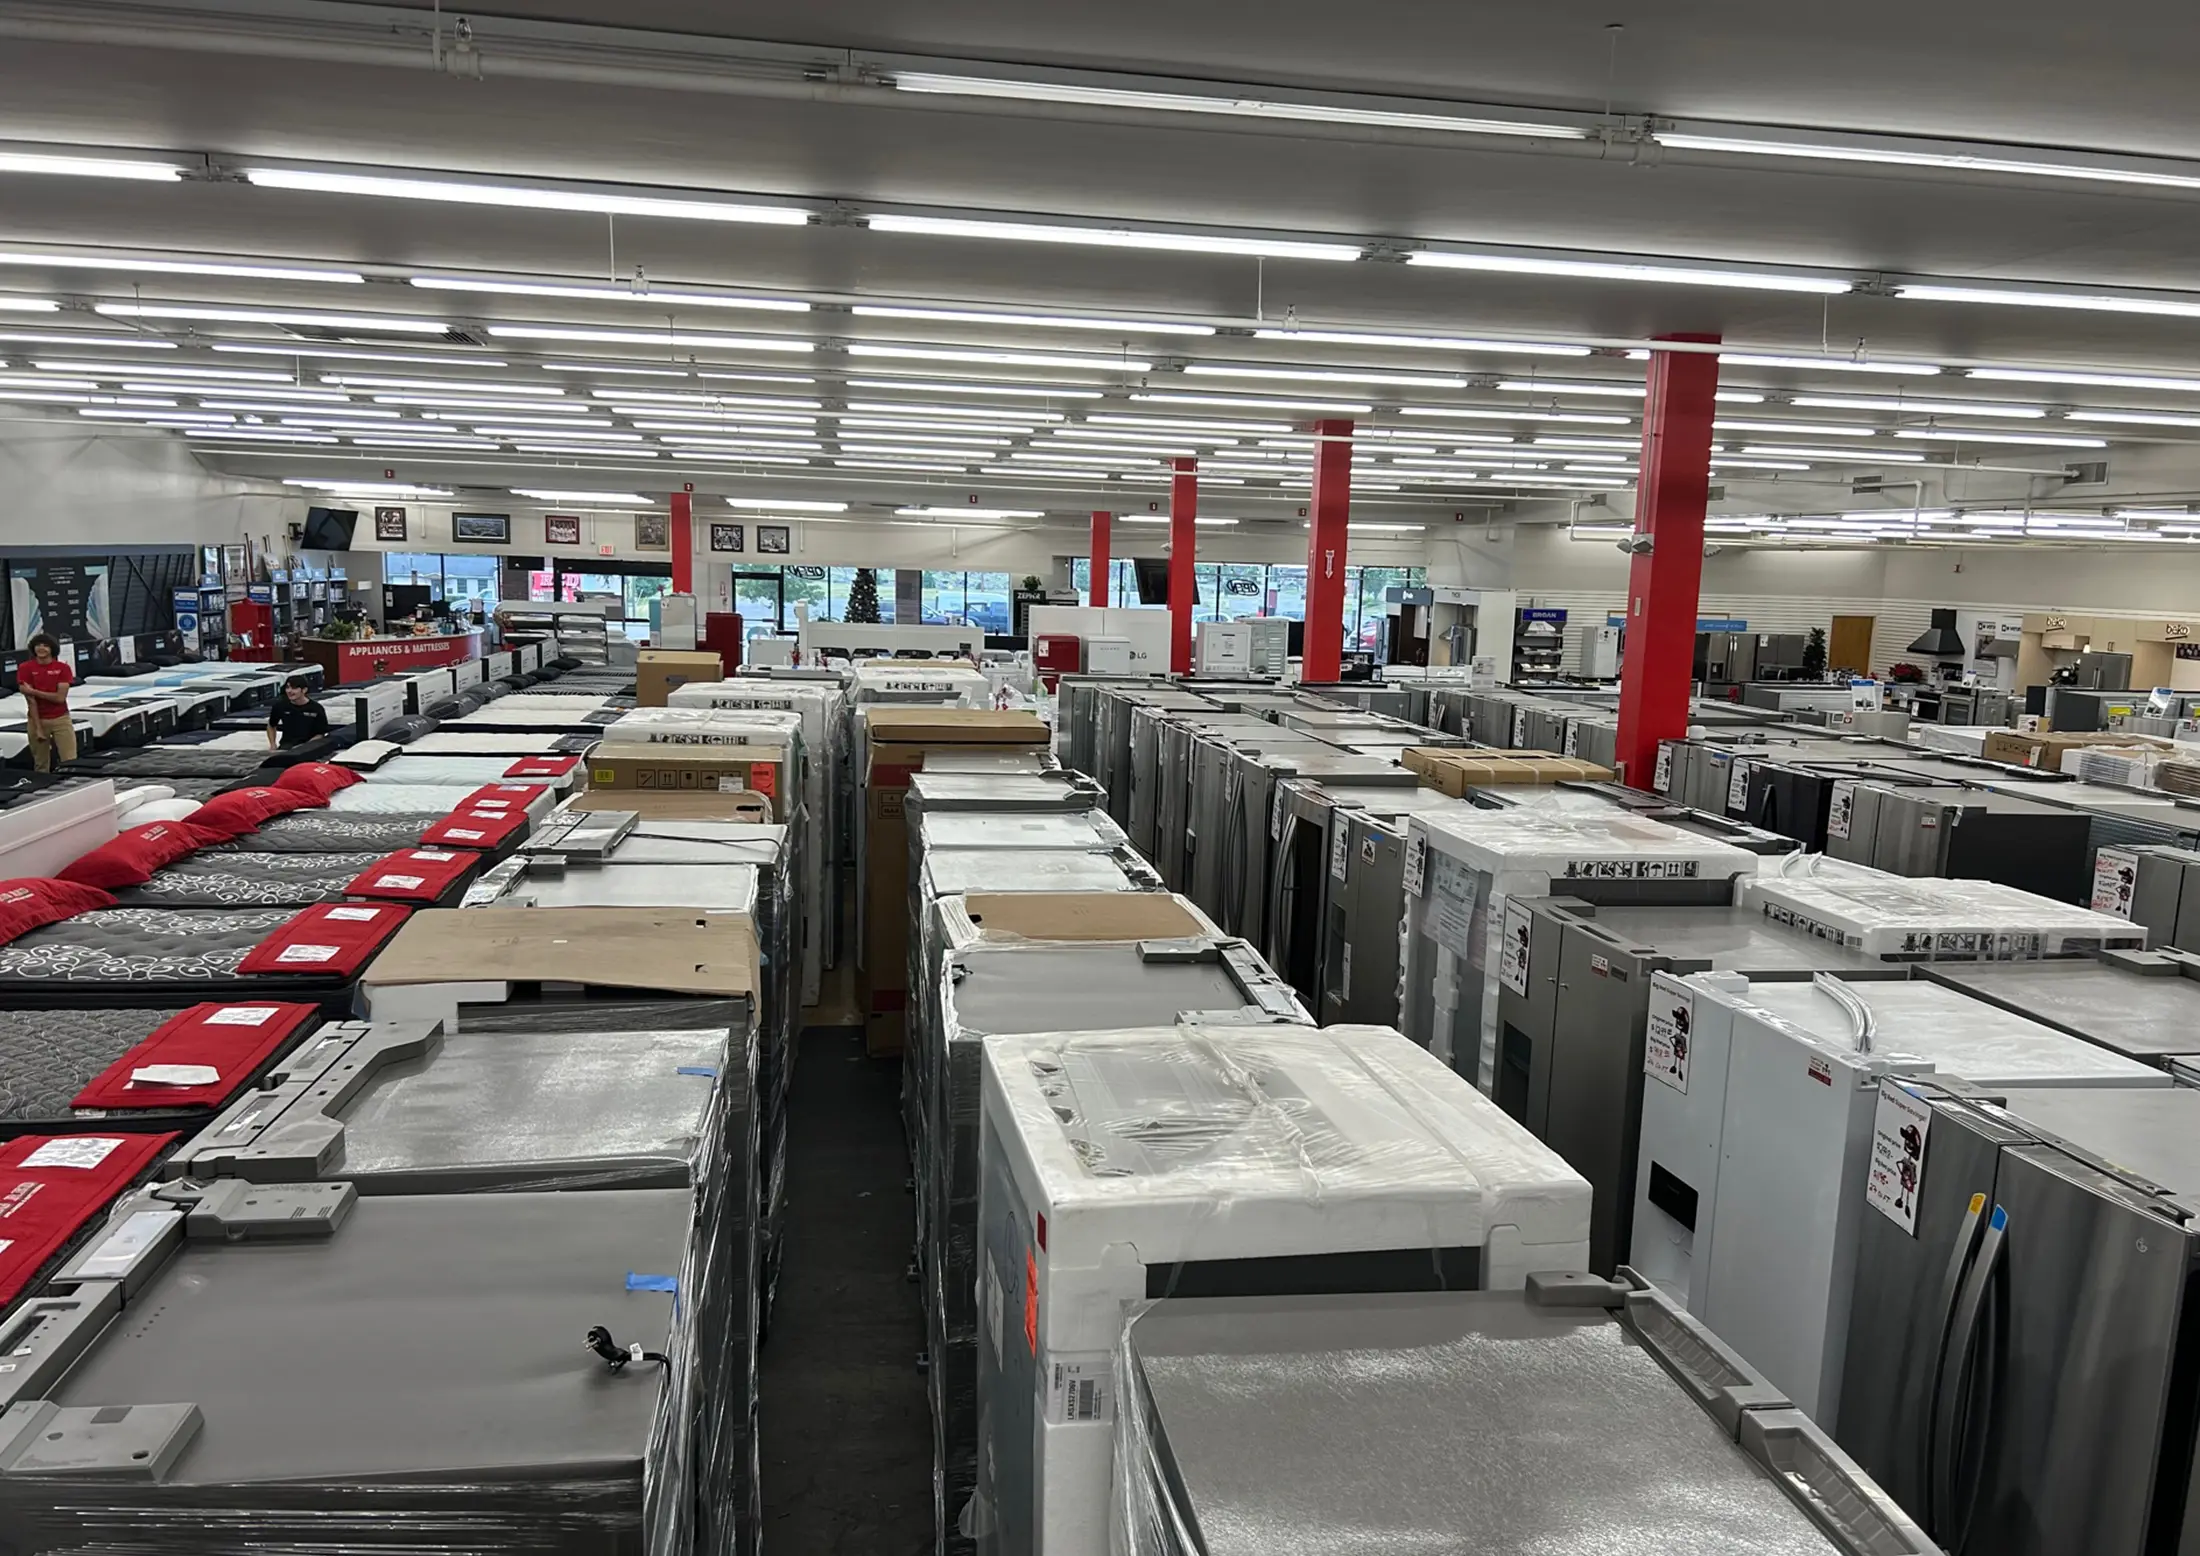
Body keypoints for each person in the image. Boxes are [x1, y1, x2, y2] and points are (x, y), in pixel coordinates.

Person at [17, 634, 75, 772]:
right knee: (41, 764)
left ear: (52, 649)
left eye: (45, 645)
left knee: (70, 759)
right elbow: (31, 701)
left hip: (60, 719)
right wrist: (38, 728)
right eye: (38, 645)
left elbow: (60, 698)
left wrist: (34, 691)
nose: (41, 648)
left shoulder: (63, 668)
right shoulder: (25, 668)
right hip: (36, 719)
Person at [266, 674, 331, 749]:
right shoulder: (280, 706)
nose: (289, 691)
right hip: (286, 746)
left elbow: (321, 734)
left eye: (294, 688)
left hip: (309, 748)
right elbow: (271, 725)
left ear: (304, 690)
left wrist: (304, 747)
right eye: (287, 687)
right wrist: (273, 744)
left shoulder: (316, 708)